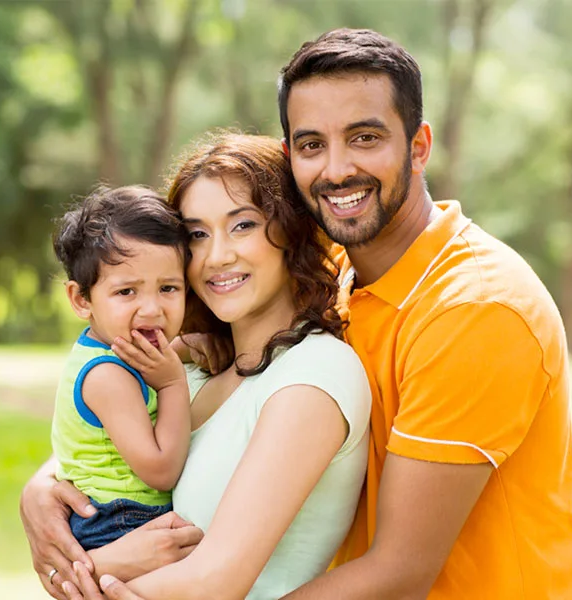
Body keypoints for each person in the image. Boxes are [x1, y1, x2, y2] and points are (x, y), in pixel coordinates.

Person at [60, 28, 572, 600]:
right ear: (292, 160)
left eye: (365, 137)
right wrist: (46, 497)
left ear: (418, 146)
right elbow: (122, 425)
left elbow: (400, 572)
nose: (337, 170)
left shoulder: (476, 309)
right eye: (313, 144)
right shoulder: (324, 275)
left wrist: (88, 578)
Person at [21, 133, 372, 600]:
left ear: (290, 229)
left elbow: (214, 580)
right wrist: (40, 489)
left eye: (242, 225)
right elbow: (103, 450)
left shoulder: (313, 375)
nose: (216, 256)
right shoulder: (192, 366)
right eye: (197, 235)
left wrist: (77, 570)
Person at [49, 185, 192, 552]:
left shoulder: (114, 350)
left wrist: (187, 349)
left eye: (169, 288)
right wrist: (173, 384)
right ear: (82, 299)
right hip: (119, 523)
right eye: (127, 292)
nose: (151, 309)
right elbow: (161, 472)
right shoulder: (108, 377)